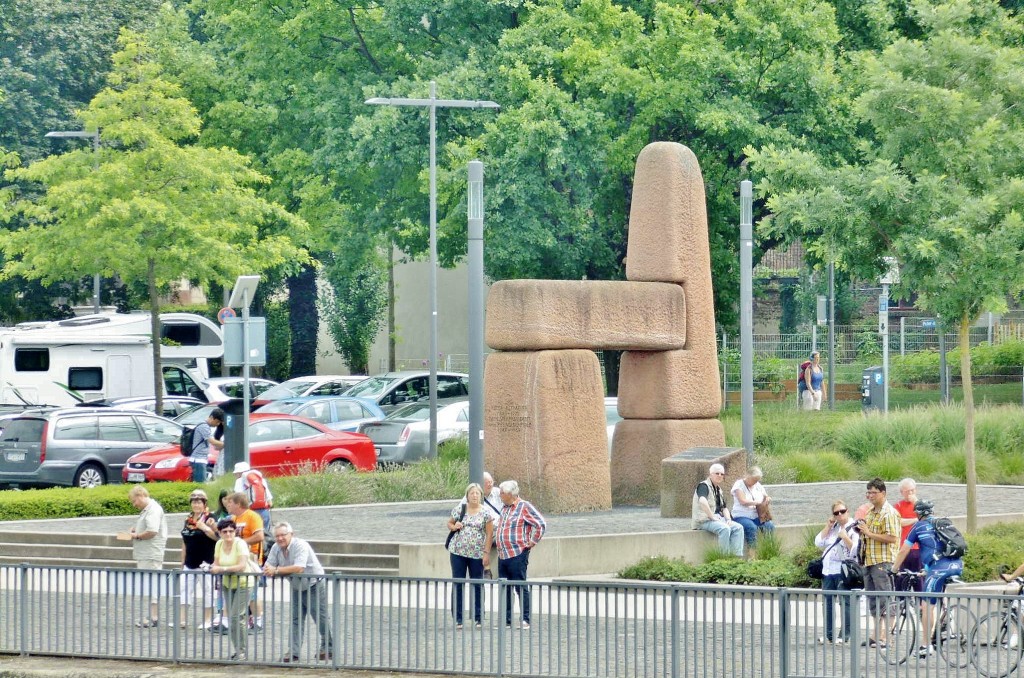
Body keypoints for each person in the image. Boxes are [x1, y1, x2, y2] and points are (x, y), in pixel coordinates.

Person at [893, 500, 964, 658]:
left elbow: (904, 550)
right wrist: (926, 570)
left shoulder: (918, 526)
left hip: (939, 569)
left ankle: (926, 645)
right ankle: (944, 620)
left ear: (918, 513)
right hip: (956, 565)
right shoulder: (943, 523)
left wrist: (894, 569)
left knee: (926, 606)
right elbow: (937, 548)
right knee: (937, 598)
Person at [264, 522, 334, 663]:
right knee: (296, 619)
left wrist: (276, 571)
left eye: (283, 535)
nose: (280, 538)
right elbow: (268, 565)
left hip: (314, 583)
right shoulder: (276, 547)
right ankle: (293, 652)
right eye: (277, 536)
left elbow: (299, 568)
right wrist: (270, 569)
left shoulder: (301, 545)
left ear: (291, 534)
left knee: (320, 617)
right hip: (296, 585)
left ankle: (328, 647)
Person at [496, 480, 546, 630]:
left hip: (517, 553)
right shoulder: (504, 508)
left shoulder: (524, 506)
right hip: (502, 554)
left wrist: (532, 541)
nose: (500, 495)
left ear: (510, 494)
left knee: (520, 586)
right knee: (504, 588)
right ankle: (506, 620)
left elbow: (541, 523)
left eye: (502, 493)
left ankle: (525, 619)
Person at [857, 477, 901, 647]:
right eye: (868, 492)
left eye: (873, 493)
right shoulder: (870, 512)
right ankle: (876, 635)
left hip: (883, 561)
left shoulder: (889, 513)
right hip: (869, 561)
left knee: (885, 599)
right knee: (873, 600)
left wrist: (868, 533)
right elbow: (867, 533)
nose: (870, 496)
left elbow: (892, 537)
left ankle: (887, 637)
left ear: (883, 493)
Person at [447, 483, 494, 629]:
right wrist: (454, 526)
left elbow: (489, 534)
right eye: (472, 493)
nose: (474, 496)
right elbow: (449, 523)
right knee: (458, 582)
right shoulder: (460, 509)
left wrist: (486, 553)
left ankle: (479, 616)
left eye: (477, 493)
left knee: (477, 583)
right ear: (467, 495)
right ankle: (458, 618)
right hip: (458, 552)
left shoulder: (486, 512)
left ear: (481, 496)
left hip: (476, 554)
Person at [814, 500, 860, 644]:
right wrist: (828, 526)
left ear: (848, 511)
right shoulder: (833, 528)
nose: (840, 515)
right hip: (828, 570)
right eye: (836, 513)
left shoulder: (853, 528)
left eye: (842, 511)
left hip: (843, 569)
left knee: (845, 602)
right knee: (827, 602)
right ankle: (829, 634)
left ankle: (845, 635)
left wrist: (845, 537)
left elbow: (856, 550)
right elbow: (818, 542)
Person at [211, 517, 252, 661]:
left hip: (244, 583)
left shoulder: (240, 544)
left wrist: (222, 569)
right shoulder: (219, 544)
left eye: (231, 531)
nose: (228, 534)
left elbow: (242, 565)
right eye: (225, 531)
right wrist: (212, 567)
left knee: (237, 617)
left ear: (235, 532)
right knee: (232, 618)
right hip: (227, 584)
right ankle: (238, 649)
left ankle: (242, 650)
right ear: (220, 533)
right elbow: (216, 563)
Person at [128, 485, 167, 628]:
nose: (134, 504)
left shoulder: (153, 509)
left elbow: (152, 531)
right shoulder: (148, 510)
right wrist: (136, 529)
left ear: (140, 496)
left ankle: (153, 617)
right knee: (147, 584)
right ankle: (150, 616)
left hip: (151, 554)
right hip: (146, 553)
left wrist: (136, 535)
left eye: (134, 501)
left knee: (151, 584)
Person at [226, 491, 265, 632]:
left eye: (230, 503)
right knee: (242, 590)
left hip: (251, 557)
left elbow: (260, 536)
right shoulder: (233, 518)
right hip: (237, 558)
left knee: (252, 591)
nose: (227, 505)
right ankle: (247, 620)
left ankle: (258, 621)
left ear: (238, 504)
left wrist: (240, 543)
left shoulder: (252, 516)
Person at [180, 489, 218, 629]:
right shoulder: (188, 519)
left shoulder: (210, 518)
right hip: (190, 561)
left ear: (204, 504)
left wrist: (205, 528)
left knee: (208, 590)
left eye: (199, 502)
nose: (196, 505)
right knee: (184, 589)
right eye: (194, 502)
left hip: (206, 561)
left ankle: (208, 619)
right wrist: (182, 560)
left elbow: (217, 537)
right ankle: (182, 619)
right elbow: (184, 541)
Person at [691, 463, 744, 557]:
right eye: (717, 473)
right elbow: (702, 501)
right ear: (710, 474)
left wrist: (728, 519)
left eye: (722, 474)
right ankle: (724, 558)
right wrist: (712, 516)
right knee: (724, 529)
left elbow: (724, 508)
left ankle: (736, 558)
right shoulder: (703, 486)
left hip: (717, 519)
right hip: (703, 520)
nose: (720, 476)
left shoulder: (719, 489)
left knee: (738, 528)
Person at [730, 466, 775, 549]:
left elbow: (766, 496)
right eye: (753, 480)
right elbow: (742, 501)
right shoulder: (739, 485)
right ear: (748, 476)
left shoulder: (758, 485)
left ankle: (769, 549)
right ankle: (752, 552)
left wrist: (767, 499)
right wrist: (756, 503)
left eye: (757, 480)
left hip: (756, 516)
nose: (755, 482)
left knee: (769, 525)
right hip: (741, 515)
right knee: (751, 527)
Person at [892, 478, 922, 590]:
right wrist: (915, 520)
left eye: (912, 490)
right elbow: (898, 522)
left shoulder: (921, 505)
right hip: (903, 547)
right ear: (901, 492)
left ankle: (921, 600)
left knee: (919, 579)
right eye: (907, 491)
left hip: (918, 548)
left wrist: (916, 503)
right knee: (901, 579)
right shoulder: (898, 506)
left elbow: (927, 519)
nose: (910, 493)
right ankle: (901, 600)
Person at [233, 461, 273, 528]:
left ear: (239, 473)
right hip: (264, 512)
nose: (235, 476)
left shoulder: (239, 481)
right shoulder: (260, 479)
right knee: (265, 533)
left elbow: (238, 498)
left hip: (249, 512)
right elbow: (270, 502)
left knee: (250, 532)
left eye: (236, 474)